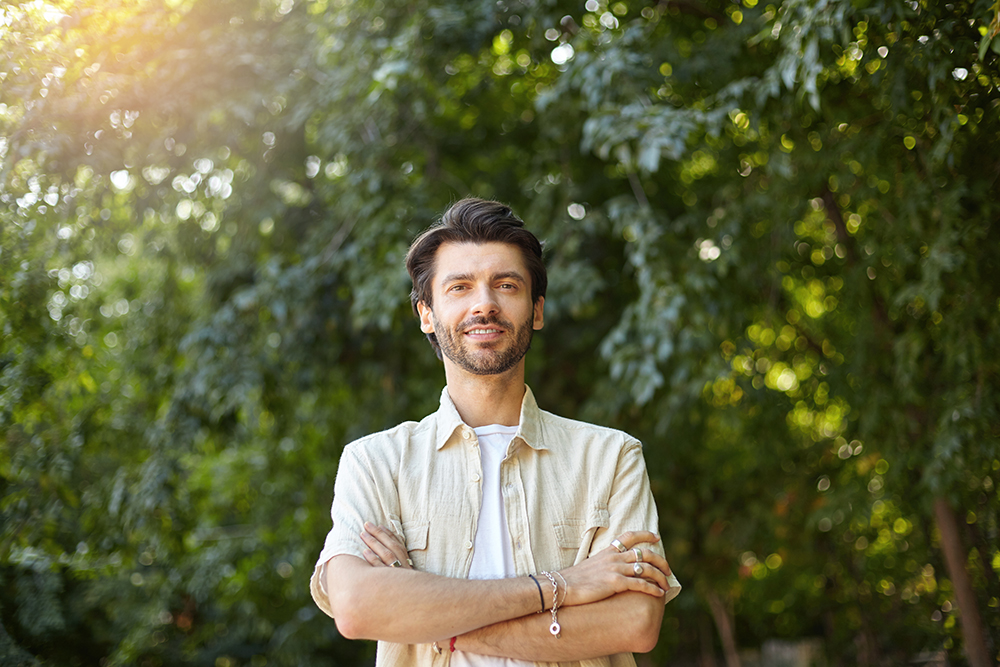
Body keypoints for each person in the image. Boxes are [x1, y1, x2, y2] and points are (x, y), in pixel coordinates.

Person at [309, 198, 680, 666]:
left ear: (536, 310)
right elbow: (358, 608)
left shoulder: (610, 457)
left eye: (506, 285)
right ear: (427, 314)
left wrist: (428, 617)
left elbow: (634, 624)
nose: (484, 304)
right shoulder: (375, 462)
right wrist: (562, 586)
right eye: (459, 287)